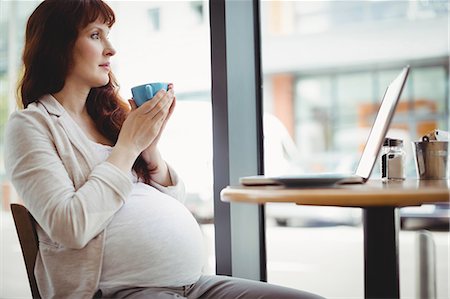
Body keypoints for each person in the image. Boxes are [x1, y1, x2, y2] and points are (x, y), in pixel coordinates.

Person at [5, 1, 325, 298]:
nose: (111, 49)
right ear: (57, 45)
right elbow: (70, 227)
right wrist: (129, 146)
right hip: (121, 291)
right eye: (95, 35)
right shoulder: (32, 125)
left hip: (194, 284)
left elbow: (174, 203)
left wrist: (150, 153)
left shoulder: (108, 119)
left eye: (109, 35)